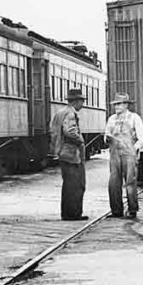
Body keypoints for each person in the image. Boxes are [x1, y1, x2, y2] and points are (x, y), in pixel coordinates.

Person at [104, 92, 143, 219]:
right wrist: (107, 139)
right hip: (114, 154)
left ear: (126, 105)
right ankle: (116, 211)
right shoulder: (111, 119)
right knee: (113, 183)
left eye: (119, 104)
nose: (116, 107)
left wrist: (134, 149)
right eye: (115, 104)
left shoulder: (134, 118)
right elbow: (106, 134)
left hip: (129, 154)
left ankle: (132, 210)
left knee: (130, 182)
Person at [50, 88, 87, 220]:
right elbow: (70, 131)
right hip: (71, 154)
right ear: (76, 101)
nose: (82, 104)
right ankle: (73, 214)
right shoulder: (71, 114)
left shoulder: (60, 112)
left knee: (67, 185)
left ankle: (66, 213)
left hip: (62, 152)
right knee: (75, 185)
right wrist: (80, 140)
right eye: (81, 101)